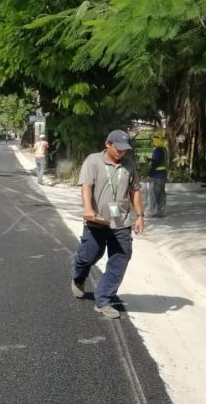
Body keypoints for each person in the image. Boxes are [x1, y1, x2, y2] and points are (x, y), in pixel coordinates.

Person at [71, 129, 145, 319]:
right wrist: (88, 209)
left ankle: (103, 299)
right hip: (96, 220)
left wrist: (140, 216)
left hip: (120, 220)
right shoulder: (93, 161)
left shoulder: (129, 164)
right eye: (118, 148)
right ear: (108, 144)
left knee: (121, 256)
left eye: (125, 149)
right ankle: (79, 277)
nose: (122, 152)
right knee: (88, 256)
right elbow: (86, 186)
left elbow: (135, 190)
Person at [146, 131, 168, 217]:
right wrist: (150, 160)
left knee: (153, 195)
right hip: (163, 175)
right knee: (161, 194)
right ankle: (160, 212)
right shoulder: (164, 149)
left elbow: (155, 163)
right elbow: (159, 161)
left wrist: (150, 174)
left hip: (156, 175)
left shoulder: (158, 150)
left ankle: (150, 212)